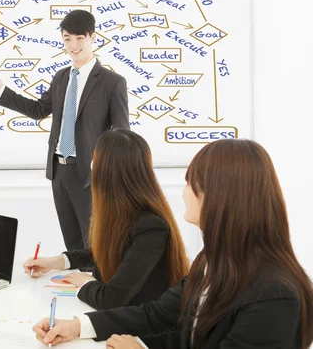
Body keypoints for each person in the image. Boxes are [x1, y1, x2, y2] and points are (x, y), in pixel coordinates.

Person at [32, 139, 313, 349]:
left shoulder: (274, 296)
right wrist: (78, 326)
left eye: (190, 183)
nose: (184, 193)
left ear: (218, 198)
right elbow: (163, 317)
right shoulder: (214, 262)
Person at [0, 9, 129, 251]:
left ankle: (96, 287)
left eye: (80, 37)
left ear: (92, 37)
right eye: (68, 38)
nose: (74, 45)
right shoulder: (61, 77)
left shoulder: (113, 82)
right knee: (71, 242)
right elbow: (39, 110)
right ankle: (75, 287)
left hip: (90, 175)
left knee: (94, 245)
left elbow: (122, 134)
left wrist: (106, 171)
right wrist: (0, 90)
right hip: (59, 171)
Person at [23, 129, 189, 349]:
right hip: (119, 322)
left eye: (94, 161)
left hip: (144, 334)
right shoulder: (123, 212)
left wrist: (86, 284)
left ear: (106, 172)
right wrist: (58, 261)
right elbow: (103, 250)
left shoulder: (151, 226)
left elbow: (112, 298)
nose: (90, 167)